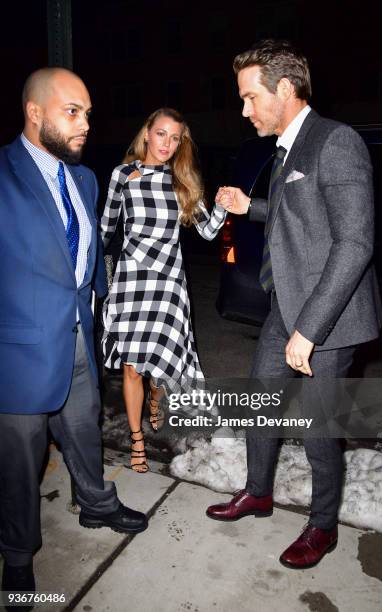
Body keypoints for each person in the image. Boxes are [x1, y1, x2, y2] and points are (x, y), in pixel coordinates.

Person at [207, 40, 382, 569]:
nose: (243, 110)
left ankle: (322, 526)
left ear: (284, 89)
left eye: (249, 97)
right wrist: (250, 205)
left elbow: (354, 243)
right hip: (287, 303)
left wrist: (309, 330)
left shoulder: (335, 141)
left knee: (319, 425)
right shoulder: (288, 148)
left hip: (328, 318)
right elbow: (300, 215)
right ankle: (258, 492)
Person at [0, 67, 147, 603]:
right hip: (15, 351)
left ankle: (98, 504)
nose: (86, 123)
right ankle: (17, 556)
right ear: (35, 113)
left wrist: (100, 306)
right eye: (72, 111)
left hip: (80, 336)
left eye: (87, 112)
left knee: (85, 432)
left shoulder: (84, 179)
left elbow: (85, 257)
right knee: (19, 460)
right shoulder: (4, 172)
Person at [101, 108, 227, 472]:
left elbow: (208, 230)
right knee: (132, 367)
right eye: (161, 134)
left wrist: (223, 204)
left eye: (175, 138)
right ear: (147, 134)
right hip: (131, 284)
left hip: (168, 286)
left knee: (159, 366)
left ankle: (156, 397)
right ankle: (137, 438)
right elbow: (105, 229)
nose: (167, 144)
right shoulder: (123, 176)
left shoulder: (180, 180)